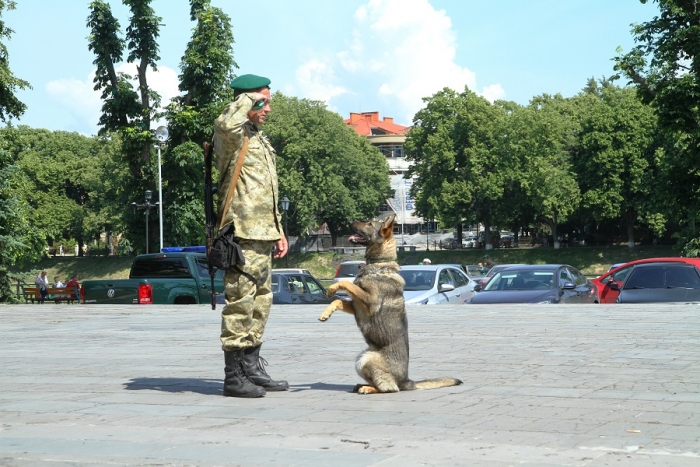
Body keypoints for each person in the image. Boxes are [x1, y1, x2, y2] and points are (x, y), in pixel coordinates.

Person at [213, 73, 289, 398]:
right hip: (241, 235)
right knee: (240, 303)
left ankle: (252, 367)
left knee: (261, 302)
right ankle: (234, 377)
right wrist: (248, 99)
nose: (268, 109)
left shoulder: (259, 138)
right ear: (247, 101)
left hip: (263, 235)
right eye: (264, 101)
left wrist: (279, 231)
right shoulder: (232, 135)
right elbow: (225, 124)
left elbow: (267, 192)